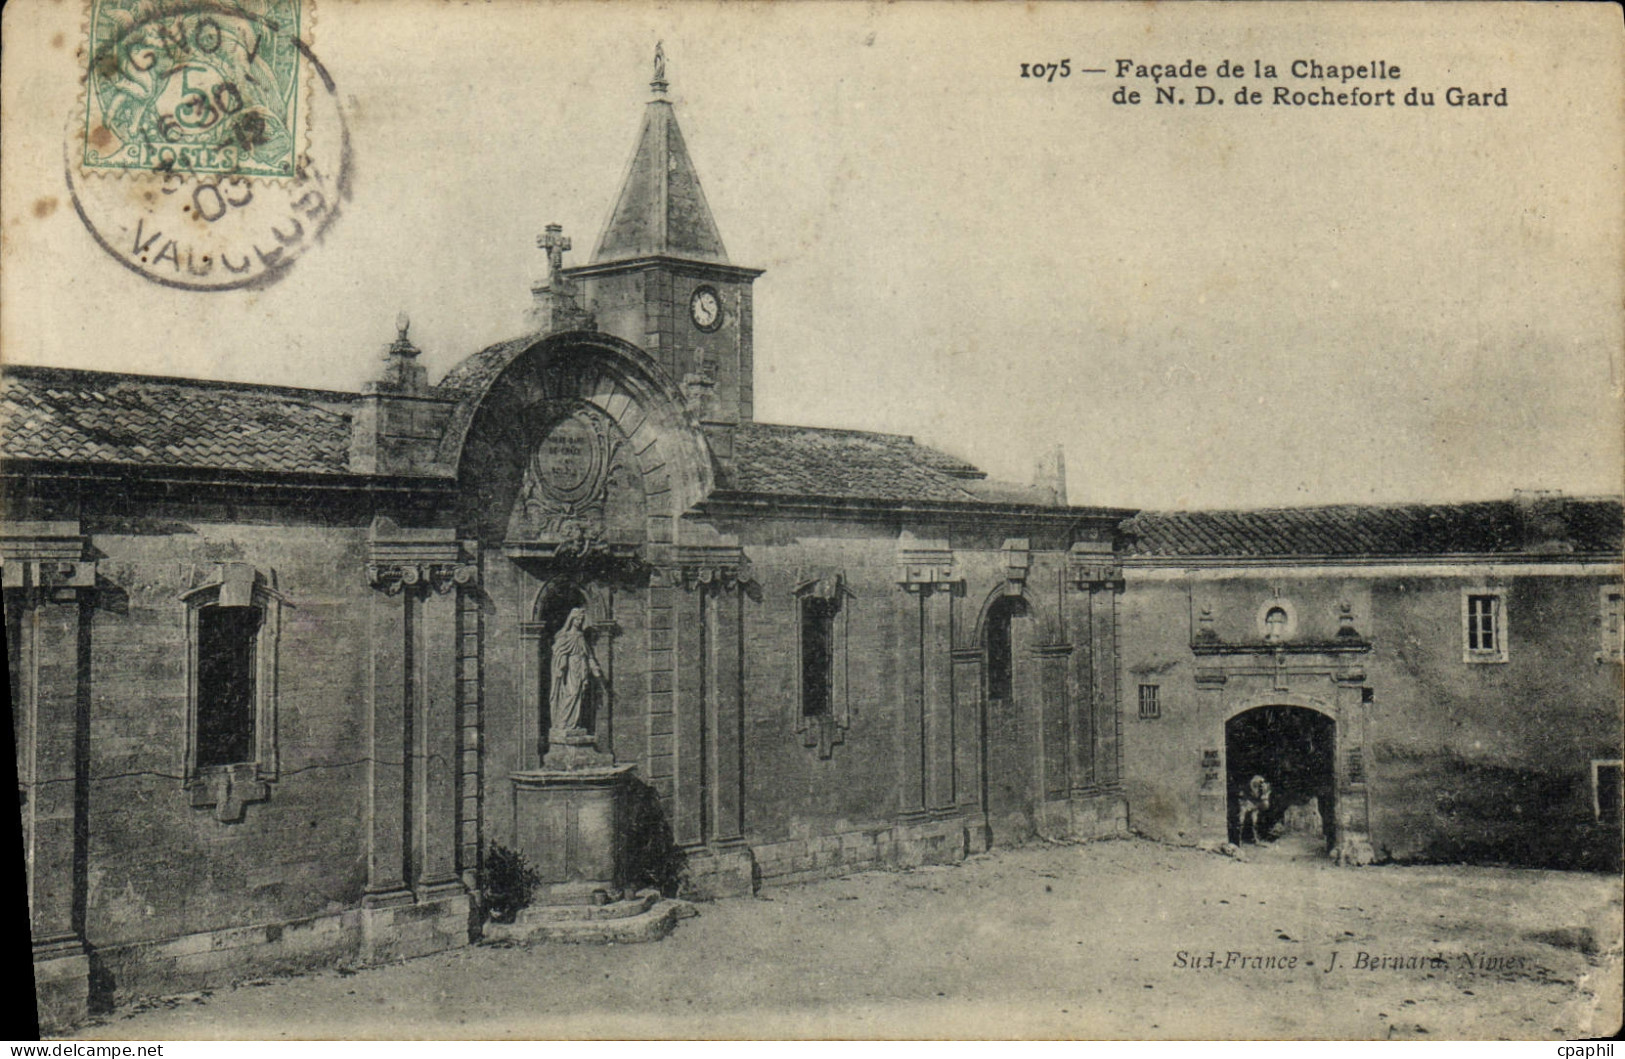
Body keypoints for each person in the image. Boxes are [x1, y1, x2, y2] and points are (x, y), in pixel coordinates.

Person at [549, 607, 603, 734]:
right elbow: (558, 651)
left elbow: (589, 655)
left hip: (581, 668)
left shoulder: (580, 637)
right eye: (577, 619)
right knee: (571, 693)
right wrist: (561, 664)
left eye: (581, 620)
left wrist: (595, 669)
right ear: (571, 620)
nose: (579, 622)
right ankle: (563, 722)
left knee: (579, 695)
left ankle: (574, 724)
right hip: (571, 668)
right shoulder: (566, 636)